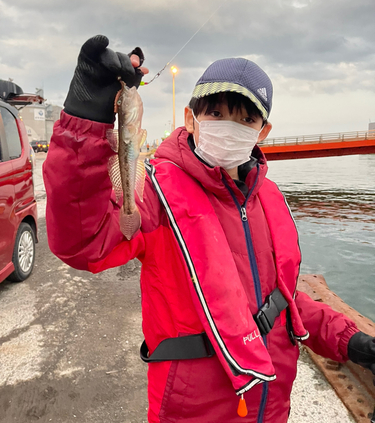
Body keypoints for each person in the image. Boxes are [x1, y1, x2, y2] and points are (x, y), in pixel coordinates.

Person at [44, 35, 375, 423]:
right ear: (191, 119)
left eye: (246, 119)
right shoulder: (156, 193)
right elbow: (83, 243)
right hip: (192, 411)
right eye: (216, 114)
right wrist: (86, 121)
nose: (229, 127)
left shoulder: (268, 199)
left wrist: (350, 339)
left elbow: (278, 300)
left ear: (261, 132)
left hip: (270, 408)